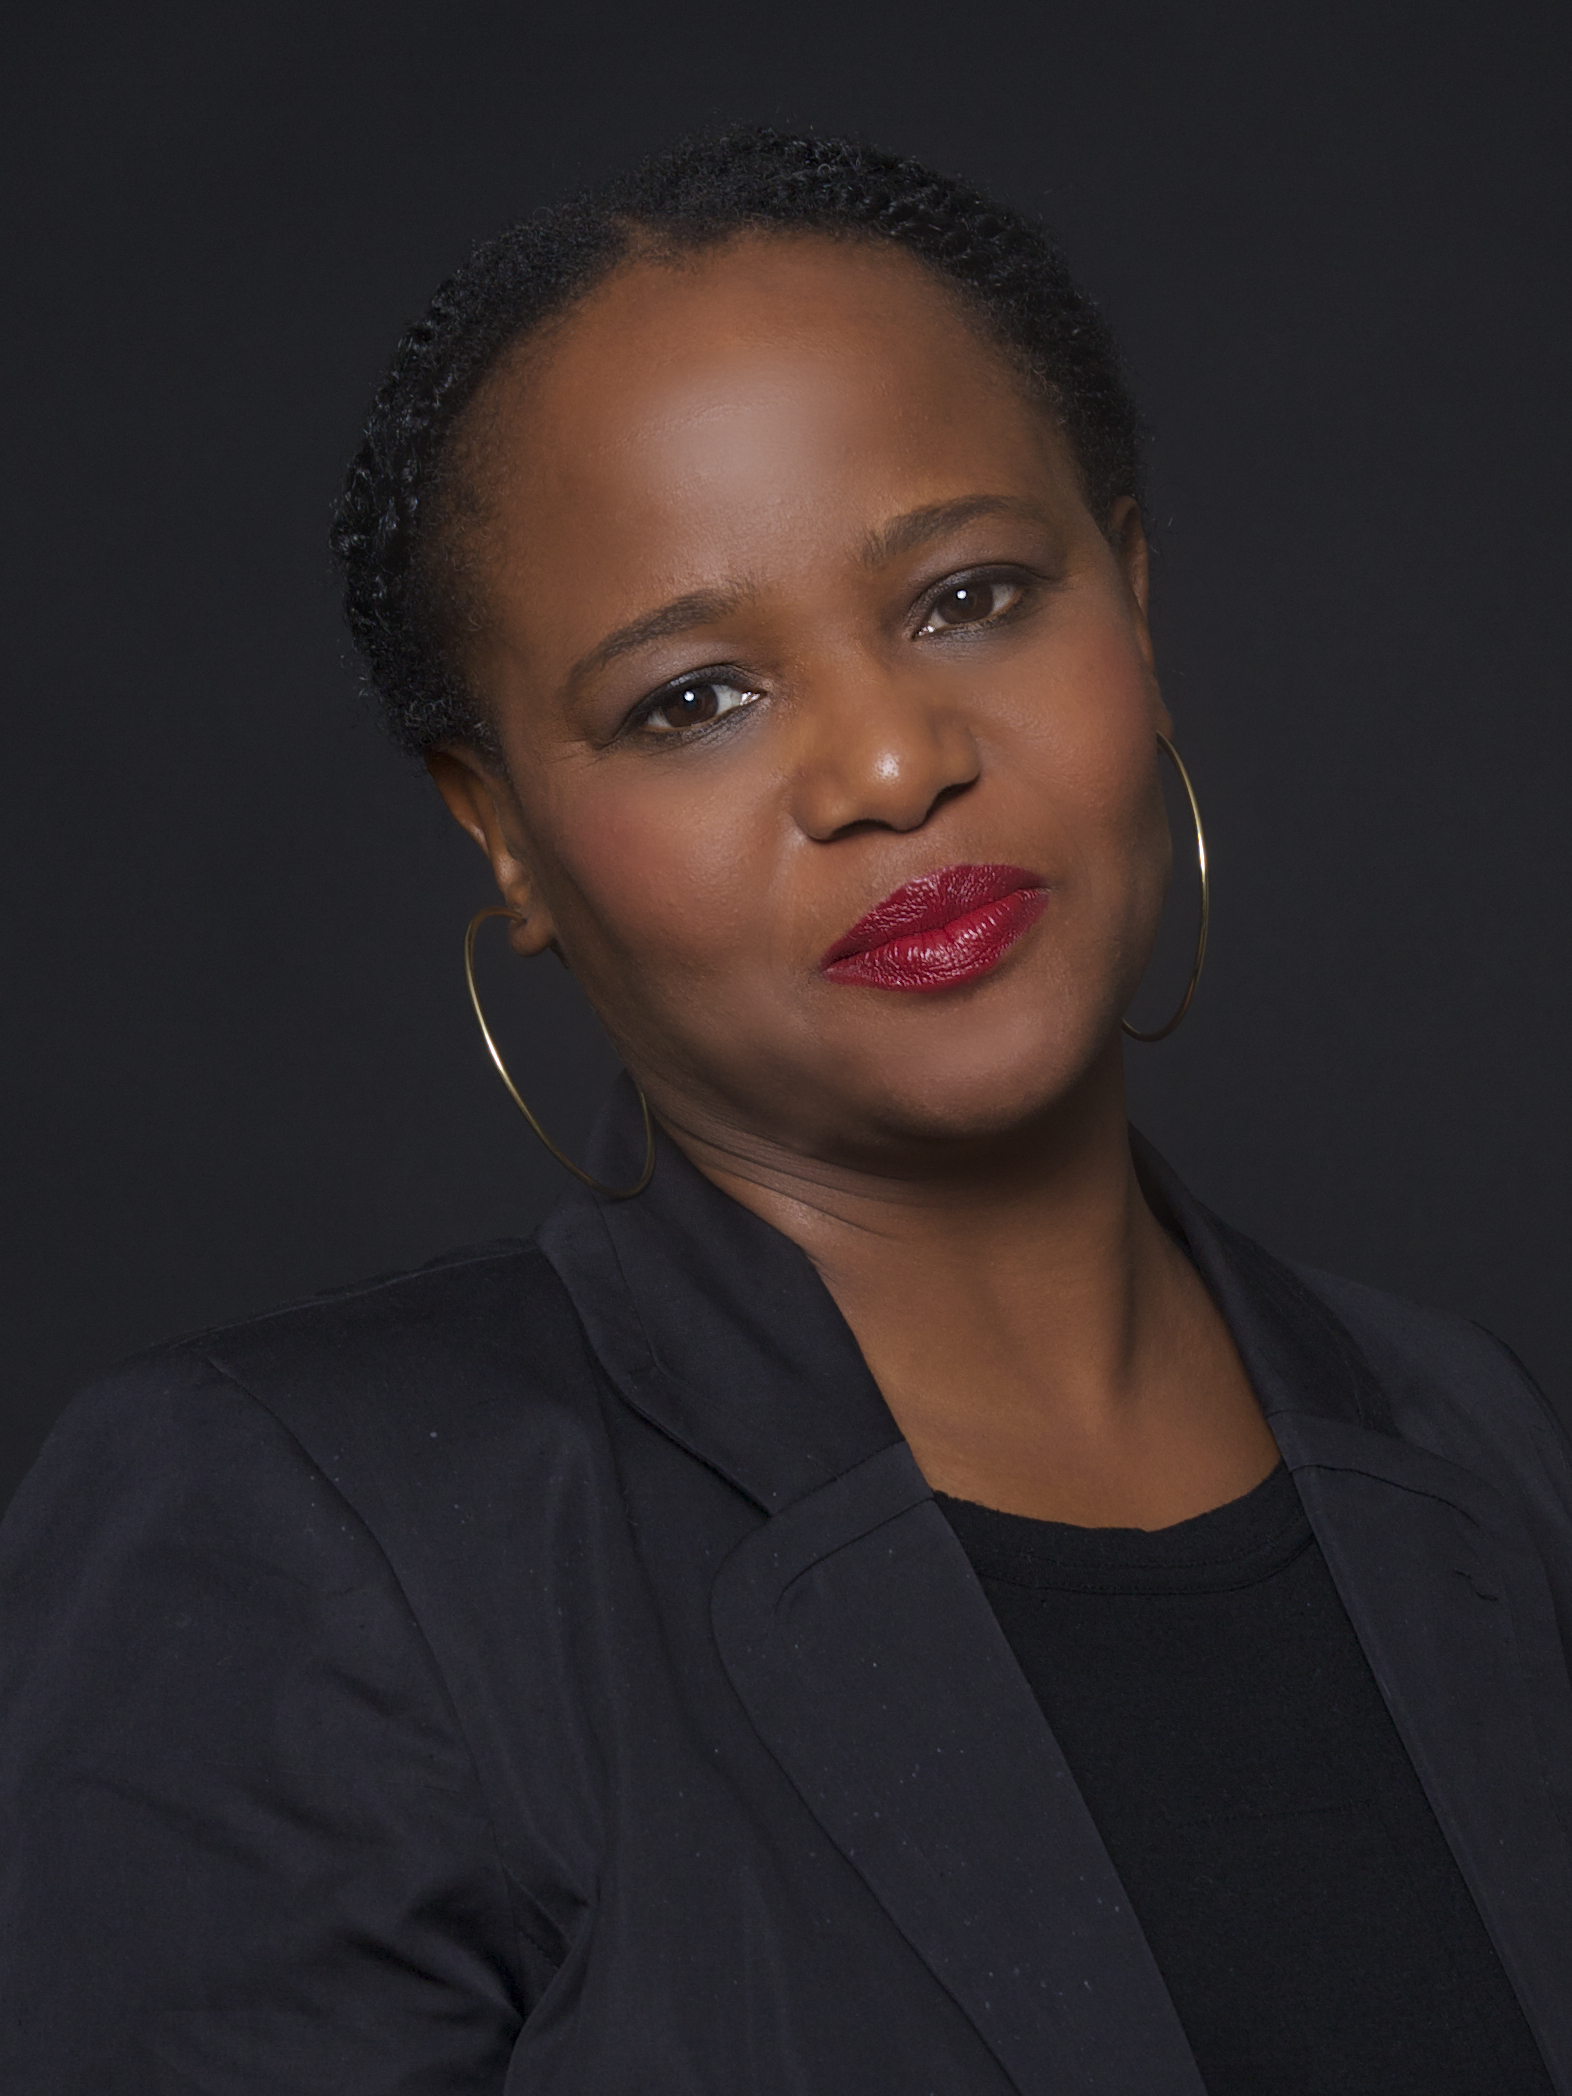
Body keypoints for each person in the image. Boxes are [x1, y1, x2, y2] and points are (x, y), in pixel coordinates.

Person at [2, 125, 1569, 2096]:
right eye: (692, 700)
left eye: (974, 593)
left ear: (1136, 601)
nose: (895, 761)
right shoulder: (303, 1542)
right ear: (501, 831)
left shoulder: (1478, 1450)